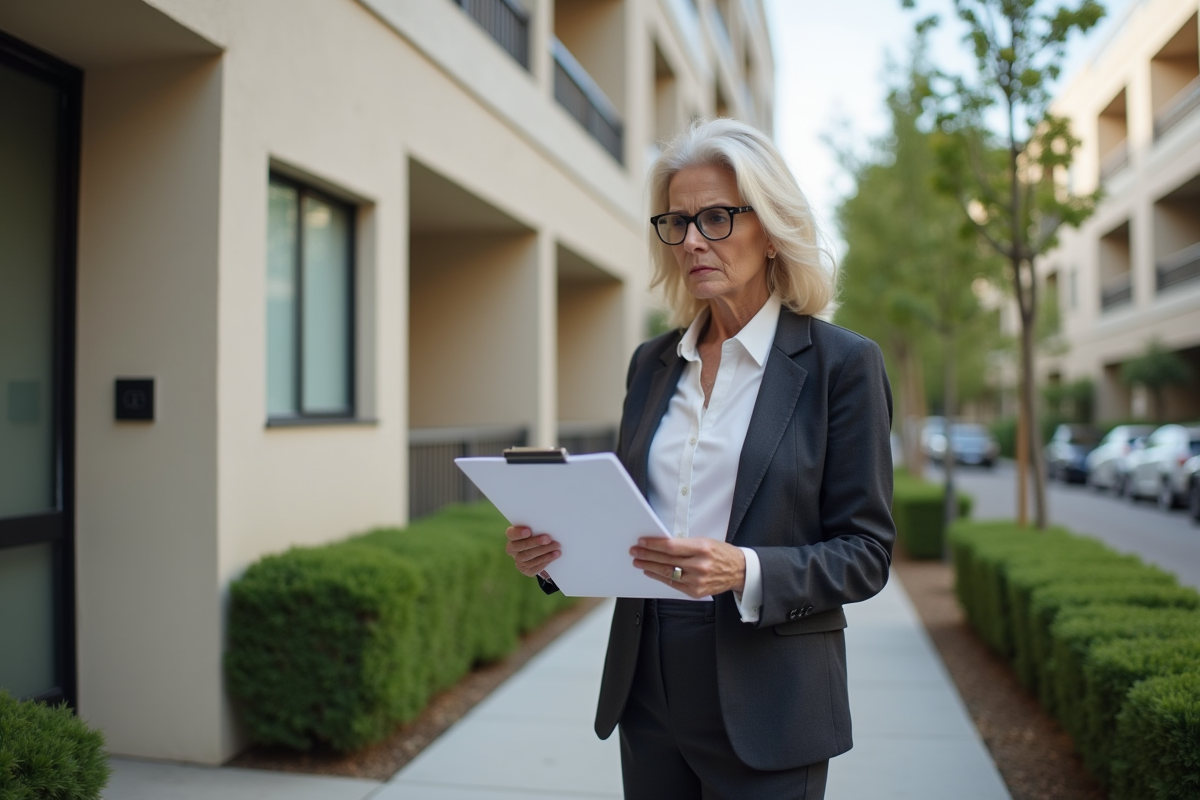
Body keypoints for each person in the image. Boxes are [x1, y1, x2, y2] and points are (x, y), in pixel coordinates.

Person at [504, 118, 895, 800]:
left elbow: (867, 553)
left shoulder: (842, 365)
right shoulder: (652, 364)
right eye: (677, 222)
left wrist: (743, 569)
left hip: (770, 694)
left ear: (771, 230)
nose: (691, 241)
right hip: (646, 683)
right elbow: (627, 520)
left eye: (716, 218)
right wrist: (553, 553)